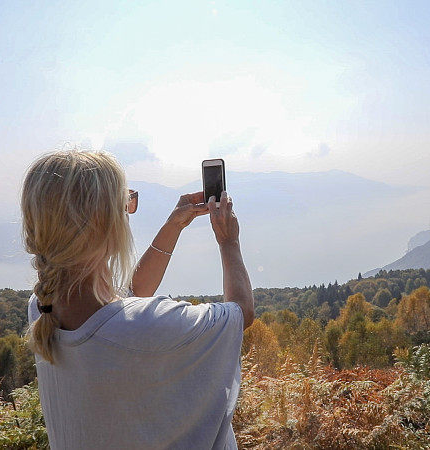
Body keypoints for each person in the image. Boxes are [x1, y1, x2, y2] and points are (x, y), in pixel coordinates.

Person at [21, 150, 255, 450]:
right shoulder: (149, 326)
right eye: (125, 203)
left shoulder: (43, 308)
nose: (130, 211)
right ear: (100, 221)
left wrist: (174, 225)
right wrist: (229, 240)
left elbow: (128, 296)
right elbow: (240, 312)